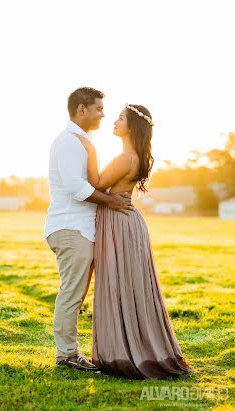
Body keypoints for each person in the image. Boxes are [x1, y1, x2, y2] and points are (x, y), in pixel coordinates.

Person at [73, 103, 192, 379]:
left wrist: (89, 149)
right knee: (129, 282)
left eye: (121, 118)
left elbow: (95, 185)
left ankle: (124, 352)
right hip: (126, 221)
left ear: (132, 126)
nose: (114, 121)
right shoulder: (134, 155)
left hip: (119, 222)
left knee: (119, 281)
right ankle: (135, 345)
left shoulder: (126, 157)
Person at [44, 88, 134, 372]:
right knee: (72, 292)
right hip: (70, 228)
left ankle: (70, 352)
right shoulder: (69, 141)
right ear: (81, 109)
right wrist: (111, 200)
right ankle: (67, 354)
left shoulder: (82, 140)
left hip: (80, 229)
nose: (103, 114)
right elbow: (76, 186)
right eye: (98, 109)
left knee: (77, 293)